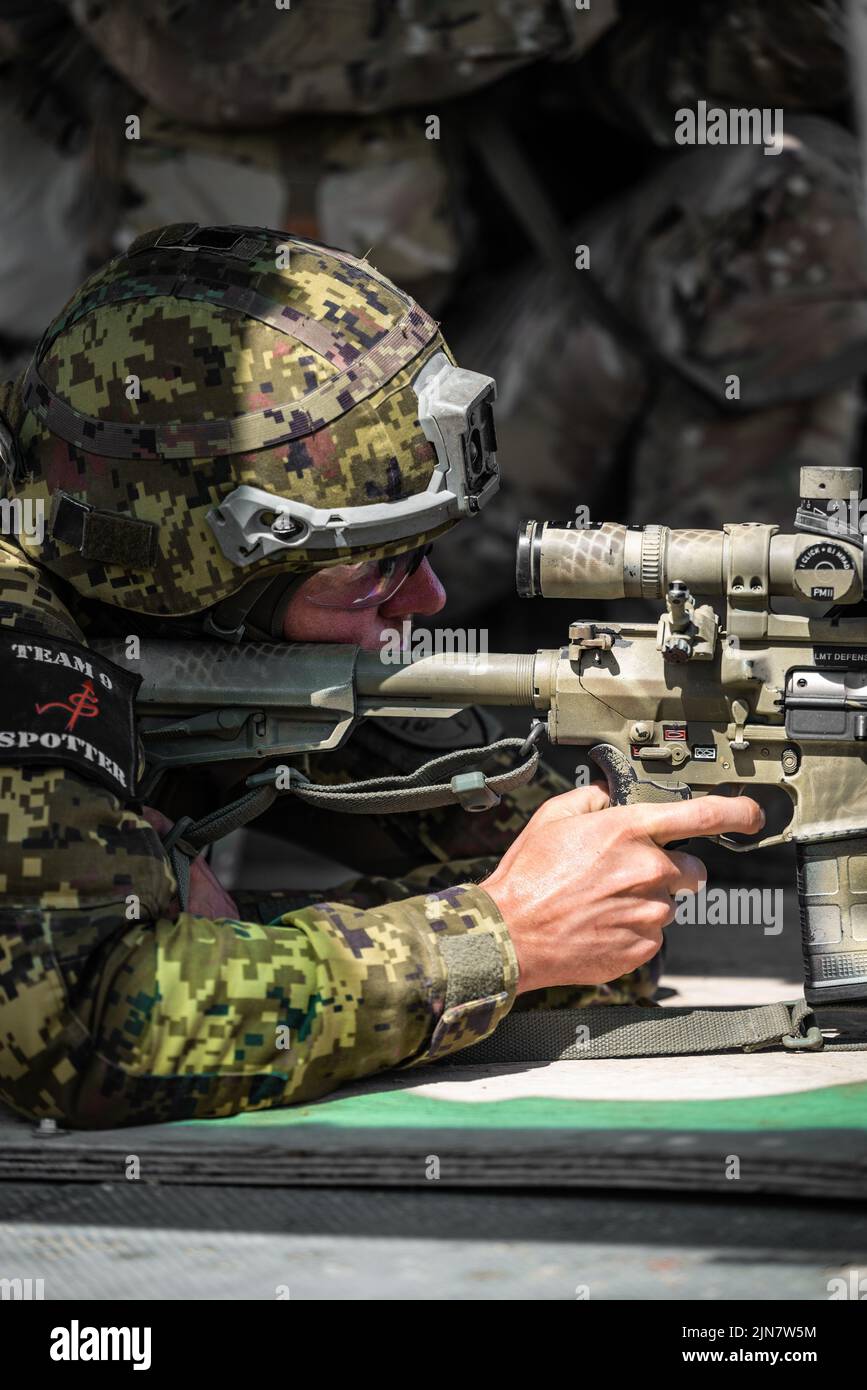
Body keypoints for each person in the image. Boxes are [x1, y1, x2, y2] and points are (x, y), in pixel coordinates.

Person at [0, 224, 761, 1128]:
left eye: (421, 554)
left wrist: (236, 946)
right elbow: (87, 1034)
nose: (427, 601)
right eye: (369, 569)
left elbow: (590, 924)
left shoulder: (233, 642)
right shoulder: (26, 658)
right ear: (200, 571)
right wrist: (491, 942)